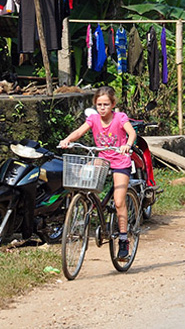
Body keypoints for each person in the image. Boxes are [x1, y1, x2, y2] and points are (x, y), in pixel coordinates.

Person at [60, 86, 143, 259]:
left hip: (120, 161)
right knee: (83, 178)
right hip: (103, 159)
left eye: (106, 104)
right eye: (99, 104)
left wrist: (127, 144)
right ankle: (87, 205)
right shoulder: (93, 119)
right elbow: (79, 132)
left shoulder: (120, 118)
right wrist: (68, 139)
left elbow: (132, 133)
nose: (102, 108)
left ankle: (123, 240)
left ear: (113, 104)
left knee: (119, 201)